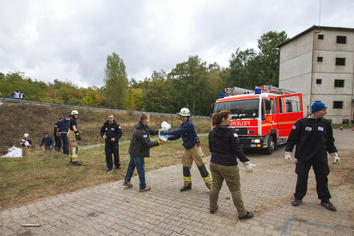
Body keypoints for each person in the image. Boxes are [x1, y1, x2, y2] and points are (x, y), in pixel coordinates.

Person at [285, 101, 340, 211]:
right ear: (316, 111)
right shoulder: (301, 123)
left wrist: (334, 154)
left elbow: (329, 141)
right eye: (323, 110)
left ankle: (325, 200)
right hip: (304, 156)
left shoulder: (326, 124)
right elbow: (292, 138)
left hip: (320, 156)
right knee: (302, 177)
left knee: (322, 177)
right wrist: (288, 152)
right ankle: (298, 197)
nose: (325, 112)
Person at [208, 110, 255, 219]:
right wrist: (246, 162)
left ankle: (212, 208)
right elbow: (237, 150)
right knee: (235, 190)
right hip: (229, 166)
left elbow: (211, 148)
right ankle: (242, 213)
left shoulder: (212, 133)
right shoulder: (231, 133)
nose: (232, 121)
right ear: (223, 119)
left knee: (215, 187)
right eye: (230, 118)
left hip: (214, 163)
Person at [160, 107, 212, 191]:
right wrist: (167, 138)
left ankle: (211, 186)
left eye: (185, 116)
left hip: (195, 148)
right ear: (180, 117)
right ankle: (187, 185)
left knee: (201, 166)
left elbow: (178, 132)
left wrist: (167, 132)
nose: (183, 118)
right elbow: (177, 136)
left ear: (188, 117)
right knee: (185, 166)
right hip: (187, 148)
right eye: (182, 116)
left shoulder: (189, 125)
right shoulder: (182, 125)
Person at [123, 113, 163, 192]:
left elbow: (150, 131)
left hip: (134, 150)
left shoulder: (143, 126)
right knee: (140, 169)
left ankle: (127, 180)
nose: (149, 119)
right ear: (144, 120)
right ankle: (142, 187)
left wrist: (158, 131)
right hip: (138, 152)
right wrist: (158, 142)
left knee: (131, 166)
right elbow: (148, 144)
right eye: (148, 118)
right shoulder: (140, 131)